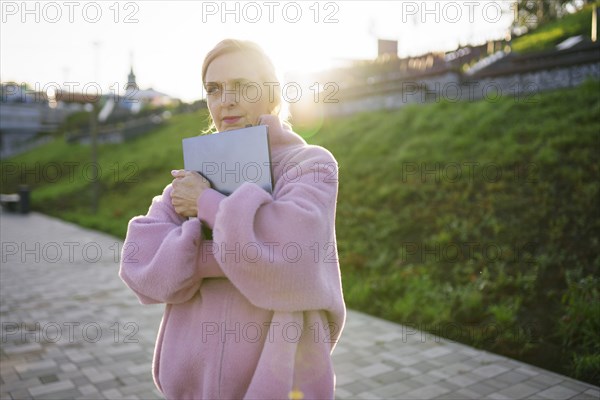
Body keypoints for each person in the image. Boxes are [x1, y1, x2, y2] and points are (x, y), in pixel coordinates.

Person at [119, 39, 345, 399]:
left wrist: (206, 204)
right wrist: (230, 250)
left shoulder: (310, 165)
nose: (226, 99)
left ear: (271, 93)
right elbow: (138, 261)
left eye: (242, 85)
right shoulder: (193, 174)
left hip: (283, 384)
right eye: (214, 89)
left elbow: (290, 254)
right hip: (191, 389)